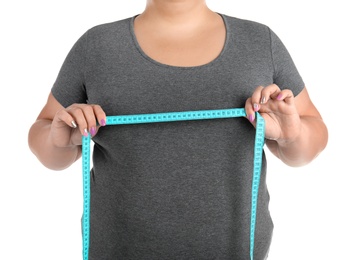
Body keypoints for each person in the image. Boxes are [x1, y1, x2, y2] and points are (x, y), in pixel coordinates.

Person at [28, 0, 328, 259]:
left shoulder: (261, 42)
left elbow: (310, 137)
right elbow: (46, 137)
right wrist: (60, 140)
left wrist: (292, 135)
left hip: (238, 250)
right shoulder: (95, 46)